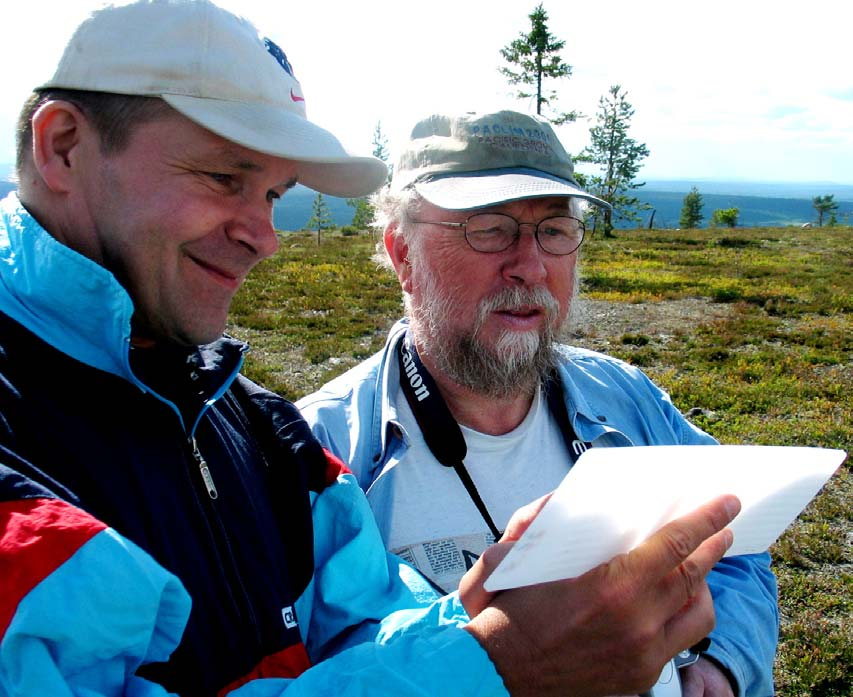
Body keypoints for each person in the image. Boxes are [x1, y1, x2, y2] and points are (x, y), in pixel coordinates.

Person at [0, 2, 747, 694]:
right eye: (225, 176)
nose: (263, 238)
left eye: (270, 194)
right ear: (63, 146)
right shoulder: (318, 437)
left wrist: (482, 615)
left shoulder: (270, 440)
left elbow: (367, 626)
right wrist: (500, 662)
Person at [297, 109, 780, 696]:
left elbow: (741, 546)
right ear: (402, 255)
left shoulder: (628, 401)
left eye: (553, 230)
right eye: (489, 227)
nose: (530, 266)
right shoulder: (318, 456)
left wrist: (720, 666)